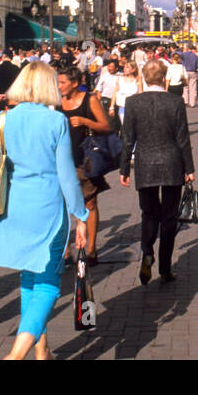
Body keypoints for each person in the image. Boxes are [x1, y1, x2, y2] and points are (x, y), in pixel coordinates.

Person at [0, 63, 89, 359]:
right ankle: (16, 355)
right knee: (49, 286)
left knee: (29, 280)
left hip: (14, 210)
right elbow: (66, 175)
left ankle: (43, 352)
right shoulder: (56, 122)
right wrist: (81, 215)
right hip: (48, 210)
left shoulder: (3, 119)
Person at [119, 59, 195, 284]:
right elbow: (183, 138)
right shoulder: (175, 101)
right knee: (169, 216)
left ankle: (147, 251)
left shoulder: (133, 103)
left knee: (149, 213)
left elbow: (127, 139)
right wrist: (189, 168)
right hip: (171, 162)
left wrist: (124, 168)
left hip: (146, 163)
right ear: (164, 78)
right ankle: (165, 268)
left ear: (143, 77)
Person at [57, 65, 114, 265]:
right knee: (62, 206)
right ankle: (65, 250)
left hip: (85, 160)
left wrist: (85, 121)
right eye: (59, 82)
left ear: (74, 83)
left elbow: (106, 126)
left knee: (89, 203)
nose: (60, 85)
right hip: (62, 160)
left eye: (63, 82)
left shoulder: (90, 100)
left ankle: (91, 248)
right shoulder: (58, 102)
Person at [114, 58, 143, 125]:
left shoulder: (138, 81)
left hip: (134, 108)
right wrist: (112, 106)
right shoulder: (120, 79)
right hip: (122, 107)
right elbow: (115, 92)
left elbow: (141, 95)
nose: (124, 69)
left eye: (127, 67)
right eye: (124, 67)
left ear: (133, 69)